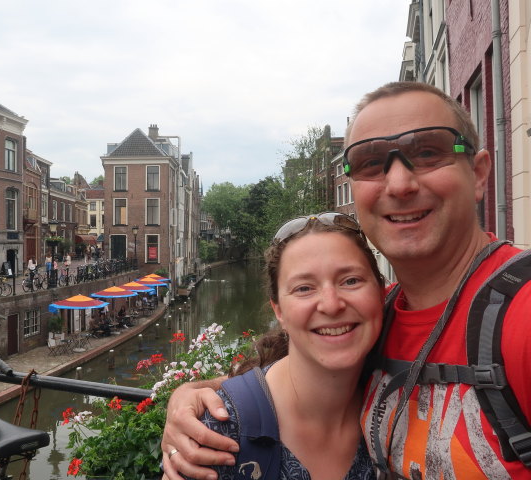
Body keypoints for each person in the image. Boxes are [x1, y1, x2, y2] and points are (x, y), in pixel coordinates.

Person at [161, 81, 531, 479]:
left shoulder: (520, 315)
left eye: (427, 153)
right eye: (372, 163)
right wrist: (195, 396)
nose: (400, 184)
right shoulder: (378, 315)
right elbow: (303, 368)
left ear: (478, 174)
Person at [184, 213, 383, 479]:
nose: (332, 304)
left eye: (351, 281)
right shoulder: (219, 431)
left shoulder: (400, 403)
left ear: (382, 292)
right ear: (279, 310)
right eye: (304, 288)